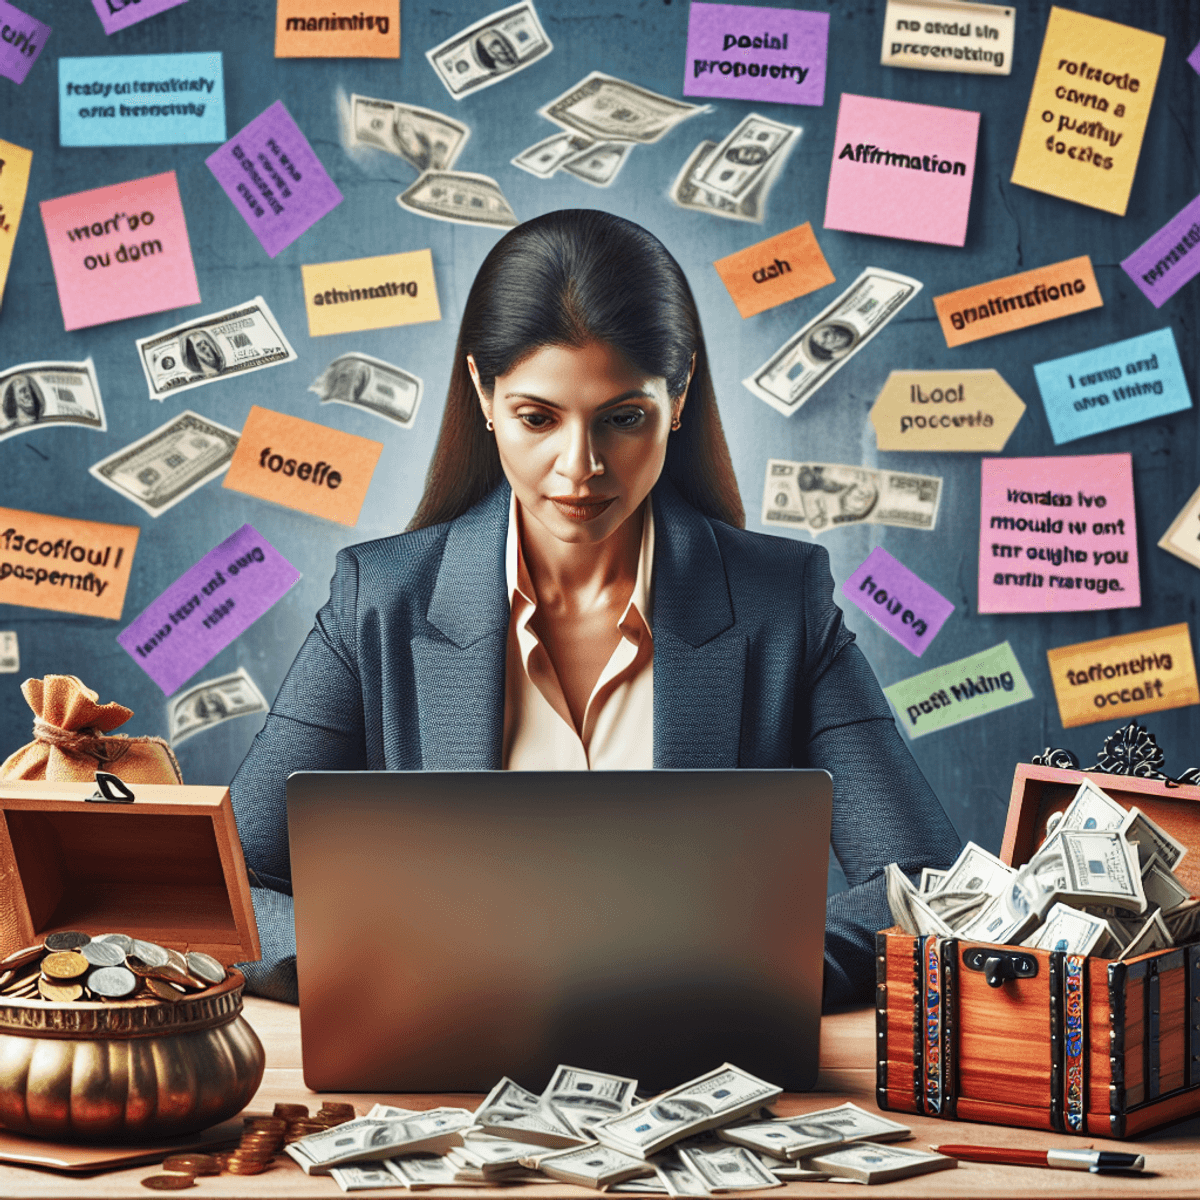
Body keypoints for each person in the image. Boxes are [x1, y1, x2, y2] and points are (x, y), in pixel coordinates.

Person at [230, 209, 959, 1006]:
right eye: (538, 418)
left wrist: (731, 968)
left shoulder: (783, 603)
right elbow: (231, 886)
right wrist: (401, 962)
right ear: (484, 392)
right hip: (442, 1077)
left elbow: (921, 884)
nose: (580, 467)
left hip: (698, 1067)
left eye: (623, 419)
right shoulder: (379, 600)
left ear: (677, 395)